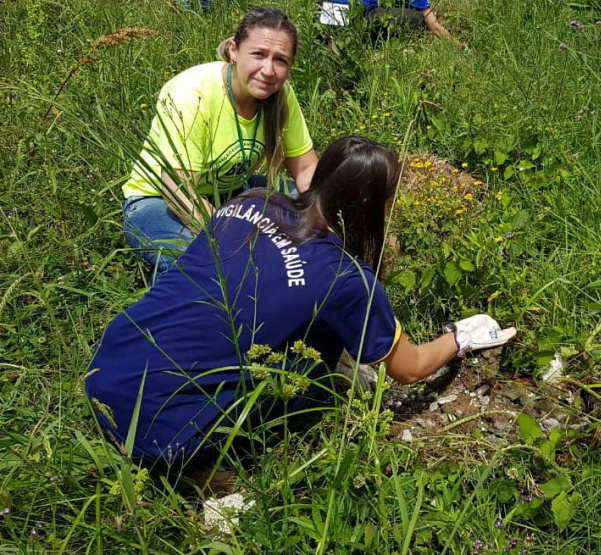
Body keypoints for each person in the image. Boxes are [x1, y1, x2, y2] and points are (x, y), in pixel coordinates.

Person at [85, 137, 516, 476]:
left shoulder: (252, 201)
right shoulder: (346, 279)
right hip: (160, 436)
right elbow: (411, 369)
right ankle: (210, 472)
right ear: (367, 204)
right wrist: (459, 337)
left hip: (105, 373)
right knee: (326, 357)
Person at [122, 7, 319, 276]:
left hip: (230, 193)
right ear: (233, 50)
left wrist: (322, 221)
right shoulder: (193, 93)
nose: (268, 70)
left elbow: (307, 170)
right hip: (158, 200)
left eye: (281, 60)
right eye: (258, 54)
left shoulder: (281, 97)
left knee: (317, 201)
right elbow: (177, 192)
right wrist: (237, 238)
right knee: (205, 264)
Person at [362, 0, 451, 39]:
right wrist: (456, 43)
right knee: (418, 18)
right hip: (366, 15)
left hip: (352, 12)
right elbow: (433, 25)